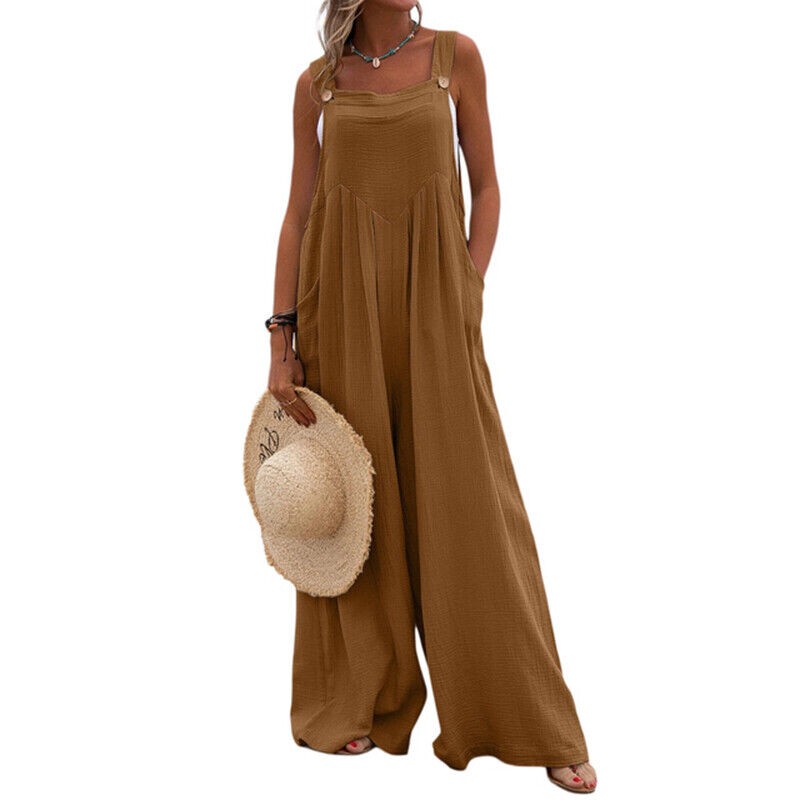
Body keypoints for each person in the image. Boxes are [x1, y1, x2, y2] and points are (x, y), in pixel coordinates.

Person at [265, 1, 598, 792]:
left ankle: (530, 718)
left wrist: (466, 287)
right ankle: (362, 696)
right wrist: (281, 342)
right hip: (341, 310)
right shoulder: (318, 84)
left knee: (473, 508)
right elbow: (298, 216)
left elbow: (488, 187)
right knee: (357, 505)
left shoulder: (456, 57)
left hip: (436, 313)